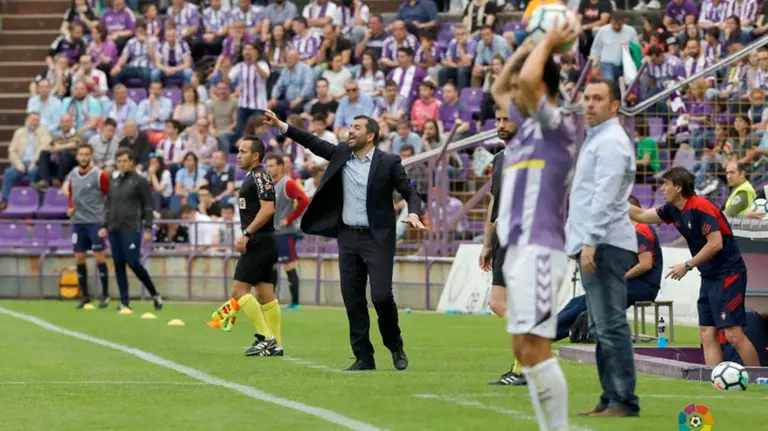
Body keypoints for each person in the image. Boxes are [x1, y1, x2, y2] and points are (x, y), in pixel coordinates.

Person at [262, 108, 424, 371]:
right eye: (350, 126)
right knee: (352, 298)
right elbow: (313, 142)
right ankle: (363, 357)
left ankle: (395, 346)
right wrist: (282, 126)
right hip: (348, 236)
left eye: (357, 128)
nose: (350, 131)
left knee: (381, 297)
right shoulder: (340, 153)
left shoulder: (388, 162)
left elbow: (410, 192)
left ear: (370, 136)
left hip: (377, 238)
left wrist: (414, 212)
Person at [493, 21, 578, 430]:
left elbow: (526, 80)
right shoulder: (526, 128)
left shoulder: (557, 125)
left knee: (537, 347)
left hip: (540, 247)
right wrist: (525, 48)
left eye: (524, 87)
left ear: (542, 89)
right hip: (517, 248)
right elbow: (500, 87)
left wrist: (546, 43)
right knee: (523, 348)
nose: (514, 94)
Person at [629, 166, 761, 367]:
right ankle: (714, 378)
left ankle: (759, 378)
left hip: (728, 274)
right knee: (706, 333)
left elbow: (715, 244)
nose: (662, 188)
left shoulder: (701, 207)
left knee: (733, 334)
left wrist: (687, 265)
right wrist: (613, 201)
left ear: (679, 188)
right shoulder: (672, 209)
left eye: (666, 184)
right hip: (708, 276)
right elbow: (639, 214)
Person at [566, 78, 640, 418]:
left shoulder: (610, 141)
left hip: (605, 242)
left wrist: (590, 240)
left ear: (615, 105)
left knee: (610, 324)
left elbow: (606, 195)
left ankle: (623, 400)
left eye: (598, 98)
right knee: (600, 325)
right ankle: (610, 397)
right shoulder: (598, 138)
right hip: (599, 241)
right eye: (587, 98)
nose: (589, 104)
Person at [205, 137, 283, 358]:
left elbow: (268, 209)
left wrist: (247, 233)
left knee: (239, 292)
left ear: (255, 156)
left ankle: (266, 338)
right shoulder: (254, 176)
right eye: (238, 151)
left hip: (258, 241)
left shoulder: (259, 176)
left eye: (243, 151)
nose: (238, 156)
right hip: (265, 241)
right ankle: (276, 345)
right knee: (265, 294)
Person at [555, 195, 662, 341]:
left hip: (643, 286)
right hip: (630, 283)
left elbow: (645, 264)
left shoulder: (641, 229)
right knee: (579, 301)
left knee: (590, 301)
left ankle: (549, 333)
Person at [477, 106, 524, 386]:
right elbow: (494, 202)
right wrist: (487, 243)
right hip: (502, 237)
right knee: (507, 304)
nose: (501, 124)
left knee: (500, 302)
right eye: (498, 119)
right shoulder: (499, 159)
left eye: (507, 119)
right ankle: (524, 366)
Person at [100, 148, 163, 312]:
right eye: (119, 161)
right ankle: (124, 301)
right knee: (118, 264)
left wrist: (148, 227)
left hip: (131, 228)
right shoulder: (113, 182)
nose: (122, 164)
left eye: (125, 161)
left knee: (133, 262)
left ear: (131, 162)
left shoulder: (139, 181)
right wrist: (104, 225)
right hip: (114, 228)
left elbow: (148, 205)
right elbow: (108, 206)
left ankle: (154, 294)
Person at [68, 144, 111, 309]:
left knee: (99, 256)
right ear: (77, 157)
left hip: (95, 222)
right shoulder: (73, 175)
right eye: (81, 154)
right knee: (79, 257)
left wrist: (105, 222)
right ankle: (85, 295)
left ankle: (105, 294)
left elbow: (109, 196)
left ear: (91, 156)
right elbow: (71, 195)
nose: (84, 157)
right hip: (78, 222)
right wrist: (70, 208)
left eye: (87, 154)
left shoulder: (99, 175)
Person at [266, 154, 310, 310]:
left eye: (272, 165)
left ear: (280, 166)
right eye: (268, 166)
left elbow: (304, 200)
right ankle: (271, 302)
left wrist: (289, 218)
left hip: (285, 233)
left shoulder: (288, 183)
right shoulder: (269, 184)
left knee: (288, 266)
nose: (269, 169)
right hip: (272, 233)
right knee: (271, 267)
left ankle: (295, 303)